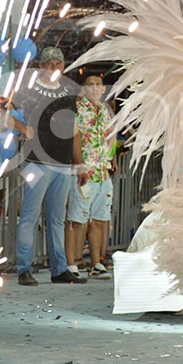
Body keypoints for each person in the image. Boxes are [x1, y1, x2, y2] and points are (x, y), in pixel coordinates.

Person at [15, 46, 88, 286]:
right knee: (30, 215)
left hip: (62, 163)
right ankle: (24, 268)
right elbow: (2, 109)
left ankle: (59, 268)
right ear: (43, 66)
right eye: (50, 64)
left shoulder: (68, 92)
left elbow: (75, 131)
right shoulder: (29, 91)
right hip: (36, 162)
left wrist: (79, 164)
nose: (55, 68)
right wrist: (22, 127)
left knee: (57, 218)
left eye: (59, 64)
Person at [65, 73, 116, 280]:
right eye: (90, 85)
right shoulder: (78, 109)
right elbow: (75, 138)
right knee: (77, 218)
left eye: (98, 85)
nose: (95, 88)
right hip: (85, 170)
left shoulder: (105, 110)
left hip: (103, 171)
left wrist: (111, 158)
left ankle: (96, 263)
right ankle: (70, 264)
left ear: (103, 89)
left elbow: (111, 135)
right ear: (83, 89)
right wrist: (79, 165)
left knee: (99, 219)